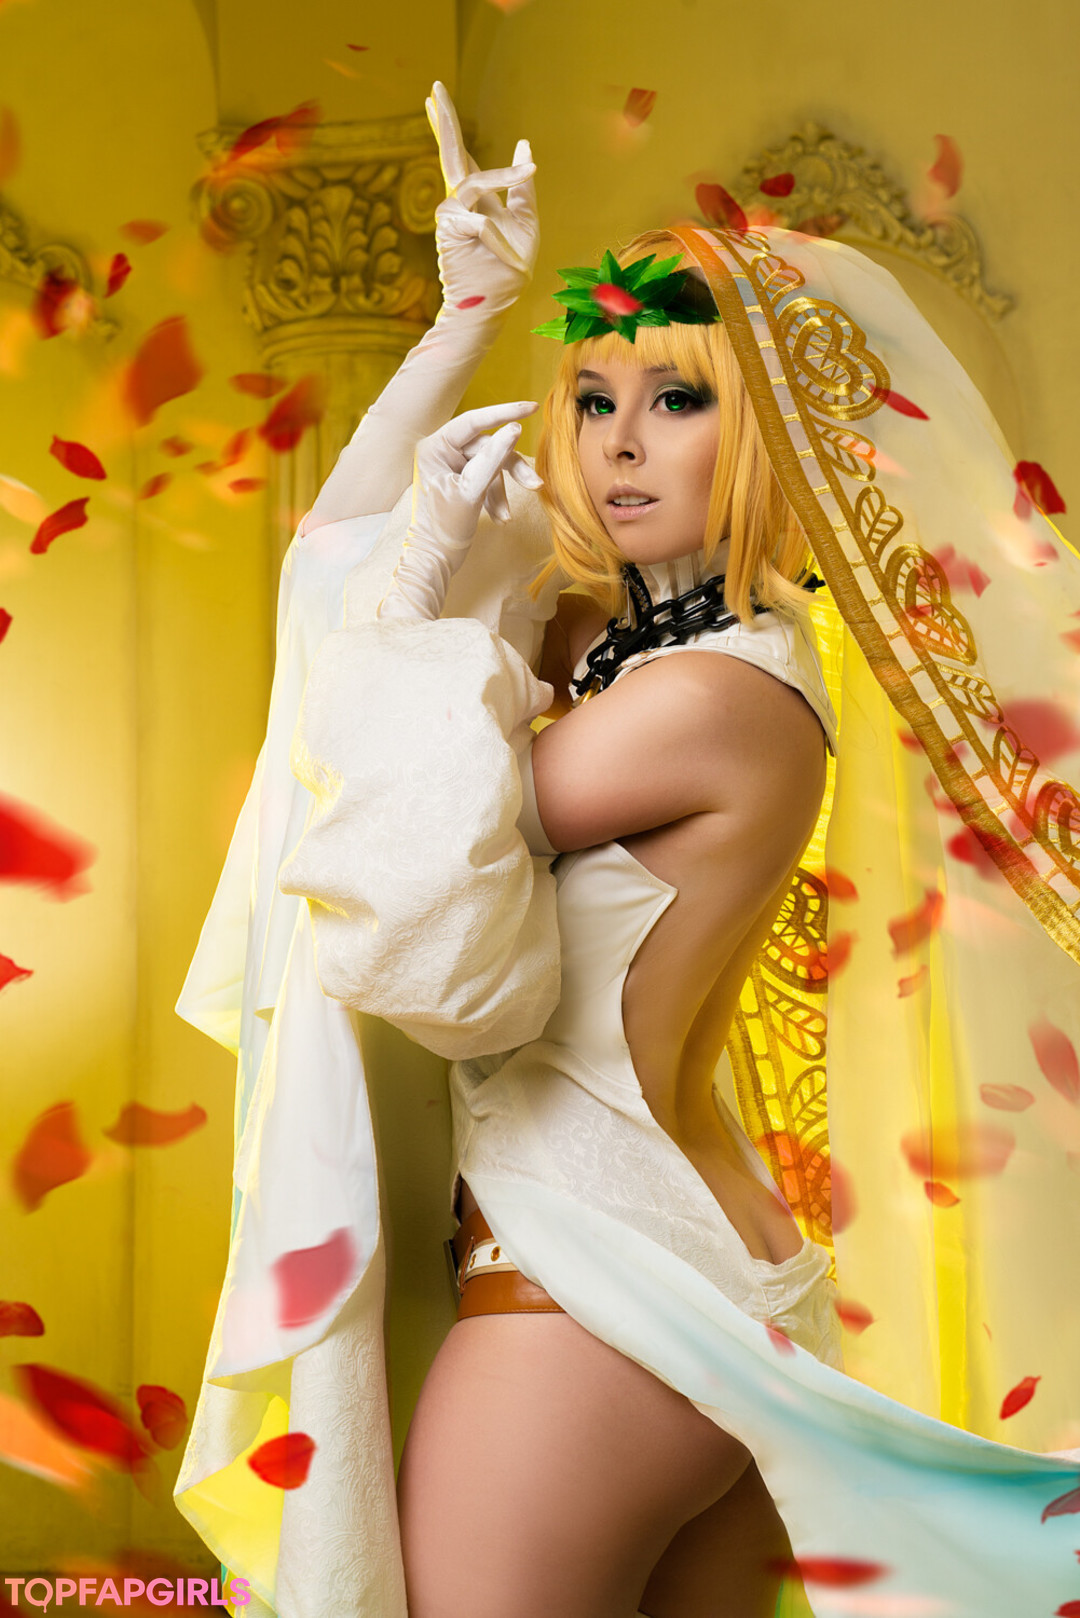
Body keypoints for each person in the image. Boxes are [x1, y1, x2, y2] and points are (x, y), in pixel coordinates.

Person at [175, 83, 1080, 1618]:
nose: (618, 443)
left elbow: (397, 835)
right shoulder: (617, 650)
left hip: (590, 1294)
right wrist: (463, 323)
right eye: (593, 398)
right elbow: (326, 573)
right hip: (670, 1282)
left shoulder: (713, 699)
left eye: (676, 399)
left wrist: (425, 577)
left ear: (770, 421)